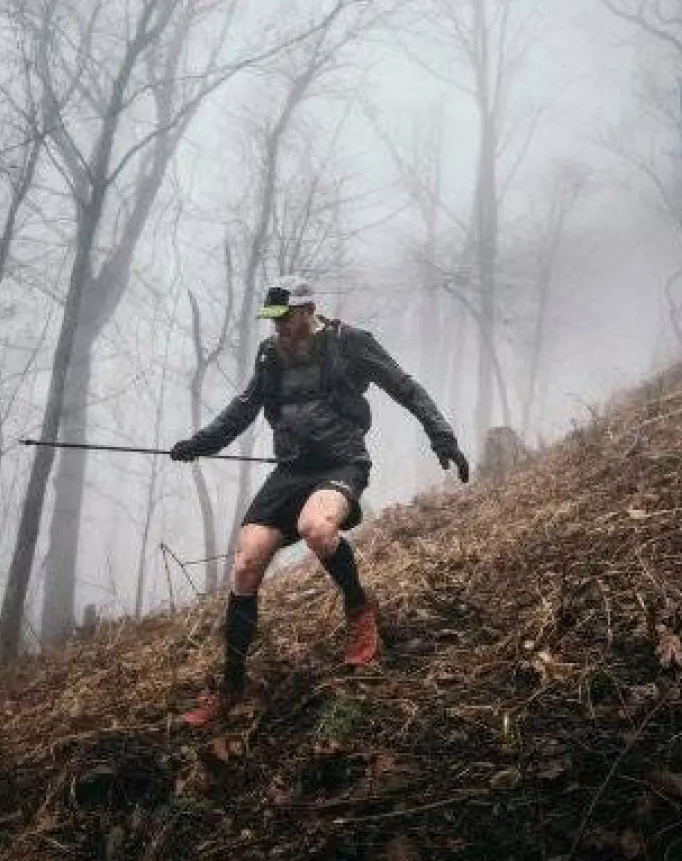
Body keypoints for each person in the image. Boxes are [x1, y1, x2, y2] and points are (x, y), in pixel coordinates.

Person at [170, 274, 469, 726]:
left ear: (308, 311)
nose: (278, 328)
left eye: (285, 317)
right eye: (273, 320)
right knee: (247, 563)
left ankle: (359, 612)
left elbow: (405, 388)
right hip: (291, 469)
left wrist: (441, 435)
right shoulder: (271, 354)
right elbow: (244, 407)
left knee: (316, 528)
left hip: (342, 463)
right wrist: (199, 443)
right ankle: (232, 684)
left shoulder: (350, 343)